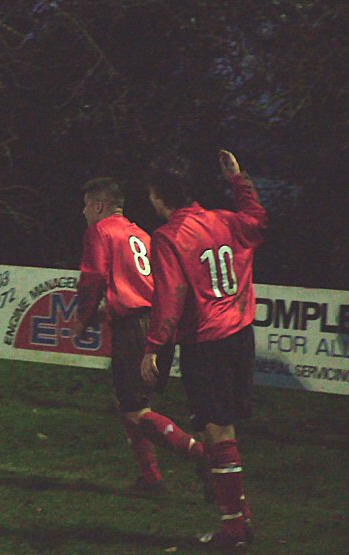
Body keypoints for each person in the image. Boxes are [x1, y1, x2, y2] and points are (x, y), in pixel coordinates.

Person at [141, 150, 267, 550]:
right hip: (240, 333)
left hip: (208, 341)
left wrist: (154, 348)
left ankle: (234, 530)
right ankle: (240, 518)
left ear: (160, 195)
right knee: (220, 428)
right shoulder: (222, 219)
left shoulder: (168, 237)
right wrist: (239, 182)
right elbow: (258, 222)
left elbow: (171, 296)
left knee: (217, 430)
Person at [72, 177, 206, 496]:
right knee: (130, 403)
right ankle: (151, 478)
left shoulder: (101, 232)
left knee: (136, 410)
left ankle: (202, 458)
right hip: (158, 324)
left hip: (134, 327)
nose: (83, 211)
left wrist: (83, 318)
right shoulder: (141, 234)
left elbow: (92, 280)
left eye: (87, 205)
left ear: (100, 206)